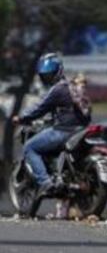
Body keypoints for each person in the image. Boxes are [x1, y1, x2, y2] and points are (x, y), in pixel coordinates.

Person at [13, 53, 92, 197]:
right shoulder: (74, 87)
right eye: (45, 76)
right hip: (81, 129)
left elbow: (40, 108)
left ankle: (45, 183)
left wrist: (22, 118)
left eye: (50, 75)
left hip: (64, 131)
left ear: (59, 71)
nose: (48, 78)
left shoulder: (57, 89)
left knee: (29, 147)